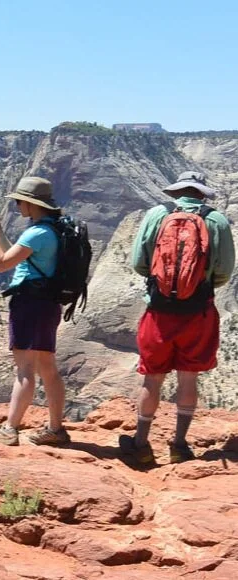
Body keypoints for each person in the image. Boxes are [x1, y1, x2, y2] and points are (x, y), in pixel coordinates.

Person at [120, 171, 235, 464]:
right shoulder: (217, 220)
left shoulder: (157, 214)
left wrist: (164, 285)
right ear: (202, 193)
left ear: (177, 192)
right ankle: (179, 445)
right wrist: (197, 287)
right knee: (188, 379)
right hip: (198, 312)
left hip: (159, 312)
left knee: (152, 379)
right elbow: (224, 271)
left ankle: (141, 445)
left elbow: (138, 263)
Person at [0, 176, 70, 447]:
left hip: (30, 303)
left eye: (19, 201)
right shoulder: (54, 229)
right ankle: (55, 429)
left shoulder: (37, 233)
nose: (18, 206)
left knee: (25, 368)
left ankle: (9, 430)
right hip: (48, 302)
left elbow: (1, 263)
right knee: (47, 367)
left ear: (31, 203)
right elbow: (15, 255)